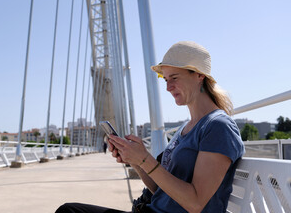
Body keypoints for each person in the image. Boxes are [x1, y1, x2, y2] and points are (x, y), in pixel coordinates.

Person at [56, 41, 245, 213]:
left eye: (174, 78)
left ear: (199, 76)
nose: (168, 87)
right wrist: (136, 162)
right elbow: (161, 190)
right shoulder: (185, 128)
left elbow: (195, 203)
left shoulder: (218, 127)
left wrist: (145, 159)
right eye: (165, 79)